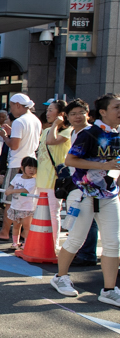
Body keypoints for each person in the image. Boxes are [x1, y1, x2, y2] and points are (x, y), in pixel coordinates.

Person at [49, 93, 120, 306]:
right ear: (104, 112)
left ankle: (109, 290)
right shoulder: (89, 134)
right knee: (76, 239)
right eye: (117, 107)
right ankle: (60, 277)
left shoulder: (117, 133)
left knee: (113, 243)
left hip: (109, 195)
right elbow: (70, 159)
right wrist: (102, 166)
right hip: (82, 194)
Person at [0, 94, 42, 243]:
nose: (11, 110)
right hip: (32, 162)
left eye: (11, 106)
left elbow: (14, 145)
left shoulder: (19, 121)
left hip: (17, 164)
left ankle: (4, 232)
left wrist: (4, 136)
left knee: (10, 200)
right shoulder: (36, 120)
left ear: (17, 105)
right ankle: (24, 233)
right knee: (27, 201)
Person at [37, 100, 72, 248]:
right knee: (40, 213)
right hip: (41, 177)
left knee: (53, 213)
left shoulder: (67, 131)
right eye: (48, 110)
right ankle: (40, 242)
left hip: (55, 179)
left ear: (61, 114)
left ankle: (53, 244)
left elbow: (51, 141)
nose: (48, 113)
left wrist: (56, 125)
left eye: (51, 110)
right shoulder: (46, 130)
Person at [5, 156, 38, 249]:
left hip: (27, 207)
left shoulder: (33, 180)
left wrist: (12, 191)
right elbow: (11, 185)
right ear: (23, 167)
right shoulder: (17, 177)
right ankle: (15, 243)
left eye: (35, 168)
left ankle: (26, 244)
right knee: (15, 226)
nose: (32, 170)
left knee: (27, 226)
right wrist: (9, 189)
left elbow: (26, 190)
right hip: (15, 206)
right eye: (30, 167)